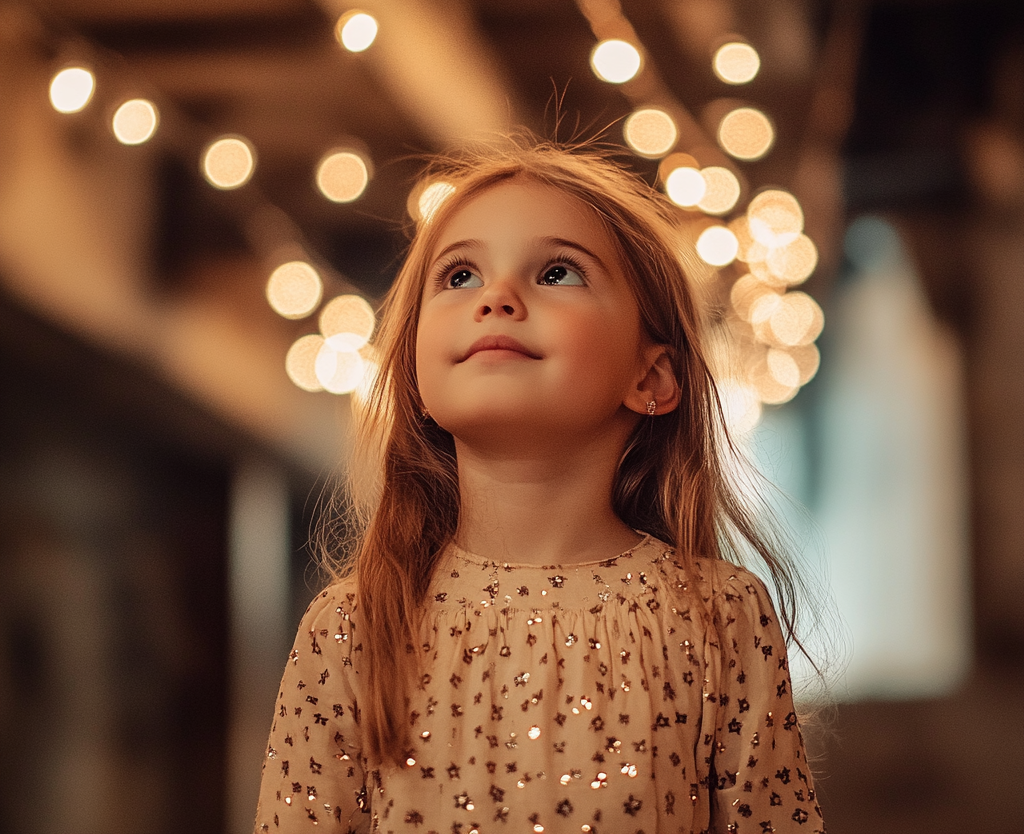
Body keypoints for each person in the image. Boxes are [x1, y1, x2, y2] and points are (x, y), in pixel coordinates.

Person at [254, 140, 826, 834]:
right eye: (460, 275)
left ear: (653, 378)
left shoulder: (719, 618)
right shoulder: (354, 630)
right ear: (415, 379)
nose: (496, 297)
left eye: (556, 271)